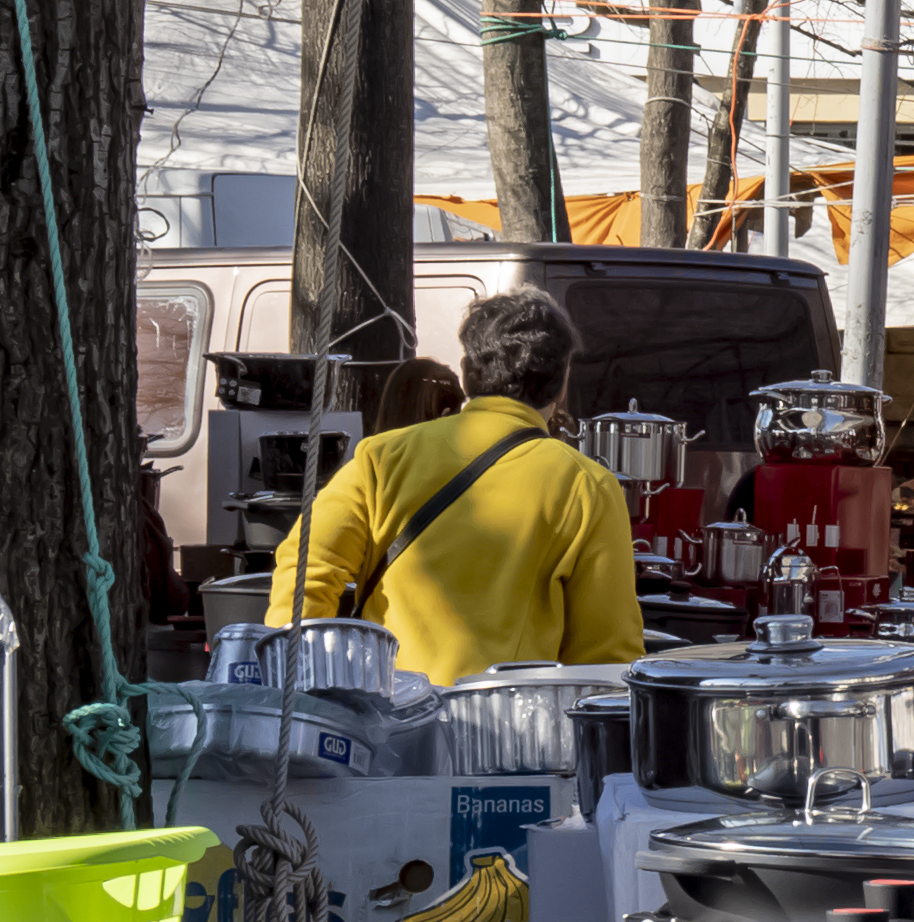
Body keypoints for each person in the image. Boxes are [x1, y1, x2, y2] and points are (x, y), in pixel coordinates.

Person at [263, 289, 641, 680]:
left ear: (466, 373)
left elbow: (305, 568)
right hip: (505, 727)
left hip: (385, 715)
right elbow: (606, 653)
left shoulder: (382, 456)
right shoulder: (588, 486)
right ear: (561, 383)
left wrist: (299, 679)